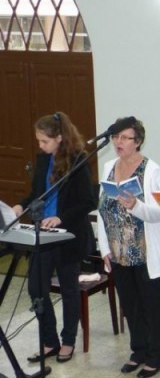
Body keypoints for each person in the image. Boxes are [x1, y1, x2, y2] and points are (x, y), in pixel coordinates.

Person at [97, 117, 160, 378]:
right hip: (119, 251)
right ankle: (139, 351)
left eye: (125, 138)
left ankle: (157, 356)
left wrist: (136, 206)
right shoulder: (109, 166)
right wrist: (104, 248)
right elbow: (102, 210)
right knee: (131, 305)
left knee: (152, 306)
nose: (118, 142)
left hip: (148, 251)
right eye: (116, 137)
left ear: (138, 141)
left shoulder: (151, 170)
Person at [13, 112, 94, 364]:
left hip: (68, 235)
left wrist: (61, 218)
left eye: (44, 141)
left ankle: (68, 341)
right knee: (36, 288)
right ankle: (49, 341)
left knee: (69, 290)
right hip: (42, 235)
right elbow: (37, 194)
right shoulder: (42, 160)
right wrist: (20, 206)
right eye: (38, 141)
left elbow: (88, 202)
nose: (40, 146)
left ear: (59, 138)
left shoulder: (78, 160)